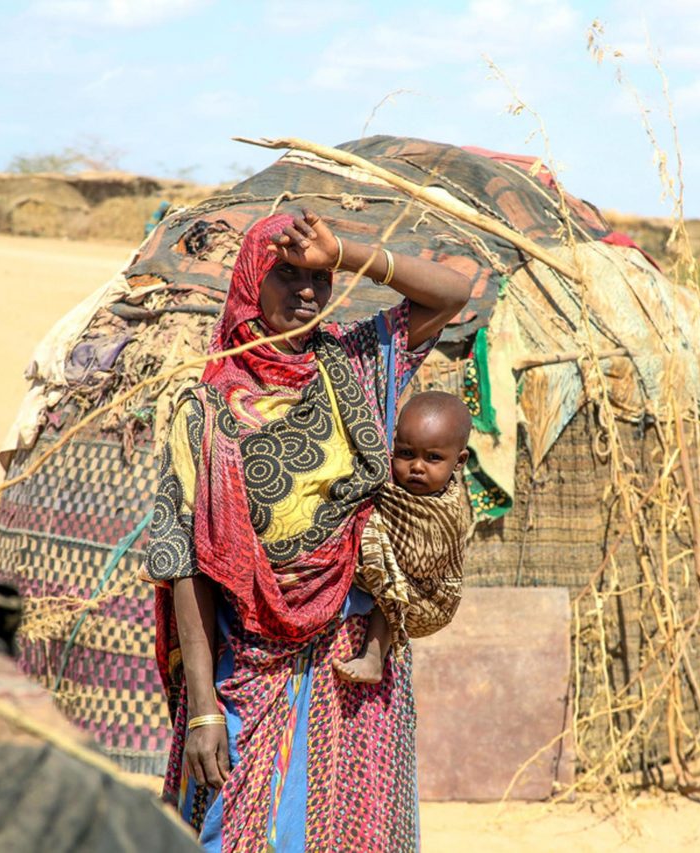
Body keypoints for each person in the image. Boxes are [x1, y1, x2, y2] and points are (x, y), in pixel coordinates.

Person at [142, 209, 470, 850]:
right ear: (251, 282)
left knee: (348, 829)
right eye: (287, 275)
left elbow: (453, 295)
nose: (306, 291)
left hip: (352, 661)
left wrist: (342, 252)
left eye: (317, 279)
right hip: (250, 658)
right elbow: (185, 563)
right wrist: (204, 707)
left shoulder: (359, 364)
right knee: (235, 827)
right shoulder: (205, 408)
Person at [333, 391, 473, 684]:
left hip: (430, 599)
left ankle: (373, 658)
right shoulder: (385, 479)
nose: (417, 467)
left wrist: (373, 536)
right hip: (398, 581)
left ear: (459, 461)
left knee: (394, 587)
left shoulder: (446, 511)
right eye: (407, 454)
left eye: (433, 458)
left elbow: (420, 563)